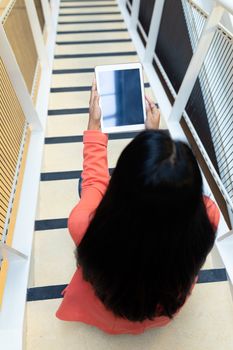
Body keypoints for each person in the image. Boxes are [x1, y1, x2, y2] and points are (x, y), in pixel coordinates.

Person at [56, 80, 220, 334]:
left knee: (85, 184)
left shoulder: (84, 224)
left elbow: (94, 181)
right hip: (159, 310)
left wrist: (95, 126)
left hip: (110, 306)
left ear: (121, 184)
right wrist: (152, 135)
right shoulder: (209, 216)